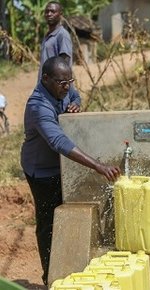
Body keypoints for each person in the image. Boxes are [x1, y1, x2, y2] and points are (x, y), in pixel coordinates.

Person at [21, 56, 121, 286]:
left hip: (61, 166)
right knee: (48, 224)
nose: (66, 88)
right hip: (41, 171)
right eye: (61, 83)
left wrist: (76, 101)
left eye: (70, 82)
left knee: (63, 218)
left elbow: (75, 95)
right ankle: (49, 276)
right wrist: (98, 166)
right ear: (45, 79)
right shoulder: (38, 105)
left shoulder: (62, 88)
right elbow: (57, 141)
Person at [38, 1, 73, 80]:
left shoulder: (62, 35)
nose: (49, 14)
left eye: (53, 11)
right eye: (47, 11)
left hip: (55, 87)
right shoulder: (47, 36)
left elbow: (64, 63)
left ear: (60, 14)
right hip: (45, 84)